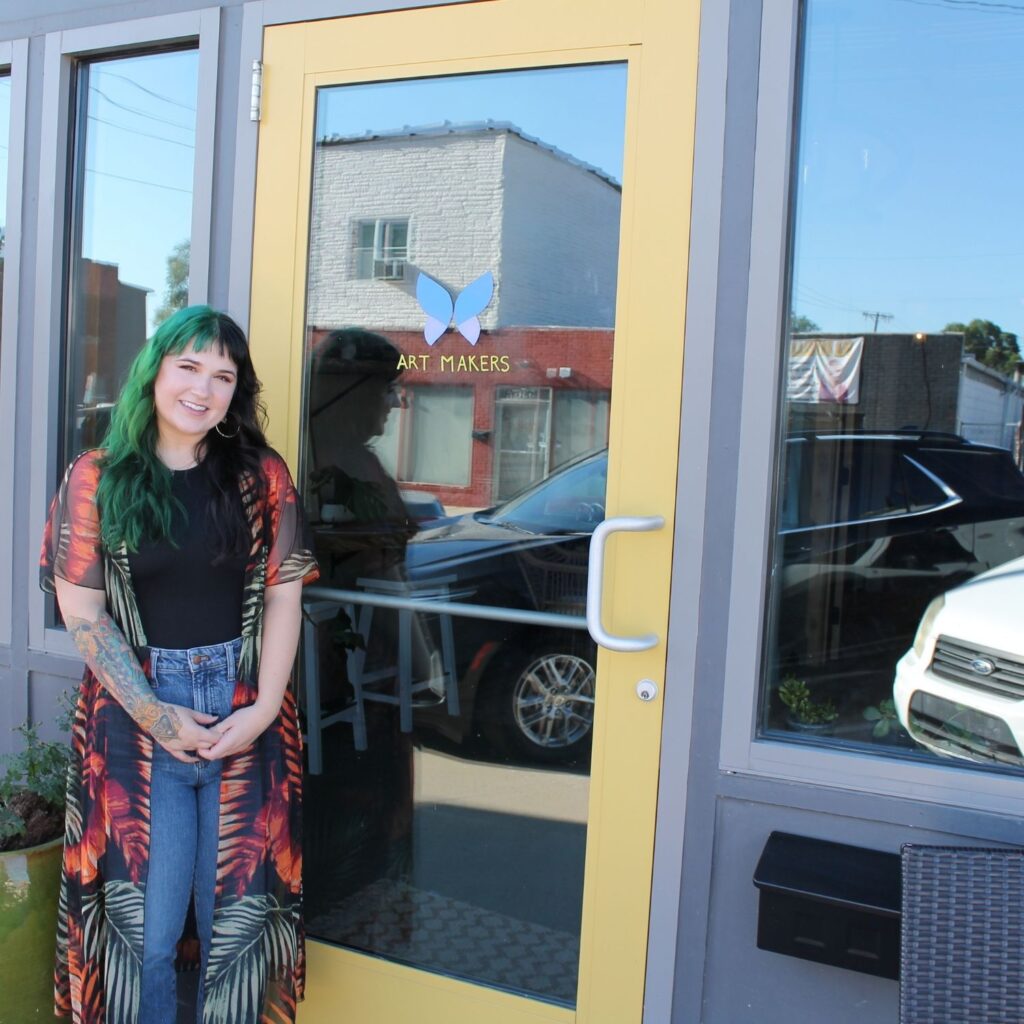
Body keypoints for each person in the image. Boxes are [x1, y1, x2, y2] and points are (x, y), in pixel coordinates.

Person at [39, 305, 319, 1024]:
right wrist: (157, 714)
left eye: (223, 376)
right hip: (138, 722)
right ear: (154, 373)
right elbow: (84, 613)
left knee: (241, 933)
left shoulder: (261, 476)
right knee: (146, 937)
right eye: (188, 367)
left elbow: (286, 599)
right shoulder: (96, 477)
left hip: (246, 711)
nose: (204, 388)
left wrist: (261, 711)